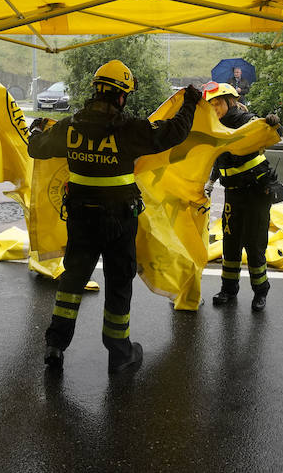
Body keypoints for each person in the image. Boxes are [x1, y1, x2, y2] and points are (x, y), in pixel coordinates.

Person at [28, 60, 201, 373]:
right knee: (119, 282)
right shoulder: (130, 130)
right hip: (119, 221)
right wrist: (189, 102)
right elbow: (174, 133)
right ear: (121, 96)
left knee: (73, 280)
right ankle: (119, 352)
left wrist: (37, 128)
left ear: (96, 90)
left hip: (81, 219)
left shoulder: (70, 126)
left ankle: (55, 345)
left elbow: (36, 149)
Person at [203, 82, 281, 312]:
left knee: (254, 242)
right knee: (230, 241)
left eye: (218, 103)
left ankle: (260, 290)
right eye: (212, 105)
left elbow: (272, 131)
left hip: (257, 190)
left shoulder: (247, 121)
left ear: (230, 101)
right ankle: (228, 289)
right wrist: (210, 181)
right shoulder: (215, 126)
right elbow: (219, 158)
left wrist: (272, 123)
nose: (215, 108)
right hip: (233, 192)